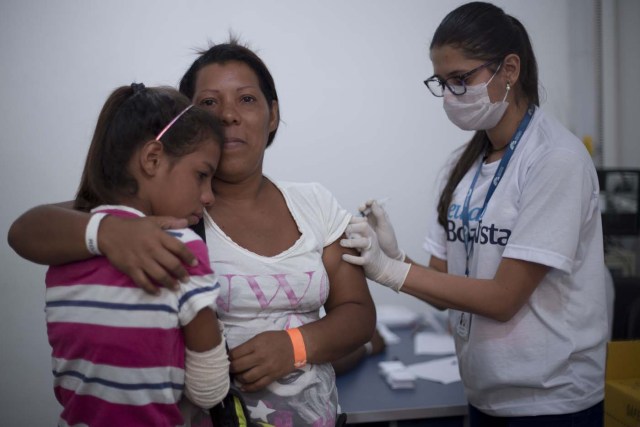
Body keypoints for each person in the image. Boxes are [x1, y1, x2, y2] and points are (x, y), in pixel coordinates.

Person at [8, 39, 376, 427]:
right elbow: (26, 231)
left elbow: (357, 314)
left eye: (247, 99)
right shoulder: (164, 214)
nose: (228, 115)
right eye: (209, 103)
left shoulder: (314, 203)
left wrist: (295, 346)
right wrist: (111, 233)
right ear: (188, 122)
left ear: (272, 115)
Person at [340, 2, 607, 426]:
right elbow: (445, 289)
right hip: (483, 393)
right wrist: (395, 256)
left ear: (510, 70)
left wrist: (391, 272)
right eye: (441, 82)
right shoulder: (461, 169)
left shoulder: (555, 160)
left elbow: (502, 300)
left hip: (552, 402)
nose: (449, 96)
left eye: (461, 79)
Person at [39, 84, 230, 426]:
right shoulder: (182, 246)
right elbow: (208, 389)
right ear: (152, 159)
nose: (208, 196)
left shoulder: (63, 252)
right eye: (202, 175)